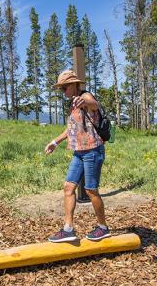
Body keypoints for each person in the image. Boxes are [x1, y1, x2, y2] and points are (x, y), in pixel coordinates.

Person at [45, 70, 110, 242]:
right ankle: (68, 229)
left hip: (93, 151)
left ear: (74, 84)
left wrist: (85, 100)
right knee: (68, 187)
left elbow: (94, 104)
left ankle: (103, 227)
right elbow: (71, 128)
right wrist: (54, 142)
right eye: (61, 88)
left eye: (65, 87)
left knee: (90, 190)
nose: (63, 91)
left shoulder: (84, 96)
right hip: (79, 153)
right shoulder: (72, 104)